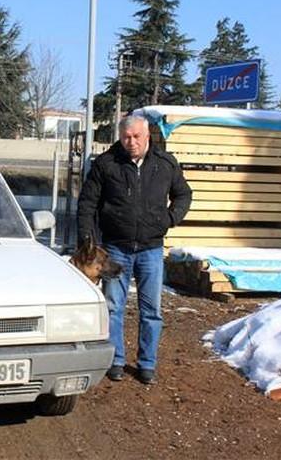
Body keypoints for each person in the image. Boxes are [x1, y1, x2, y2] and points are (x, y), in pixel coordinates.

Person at [77, 114, 191, 385]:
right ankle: (115, 360)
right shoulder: (106, 164)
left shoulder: (165, 164)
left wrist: (170, 218)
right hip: (116, 248)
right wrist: (87, 241)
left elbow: (183, 194)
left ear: (147, 135)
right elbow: (87, 203)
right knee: (113, 307)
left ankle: (147, 363)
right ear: (120, 137)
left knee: (151, 310)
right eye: (126, 137)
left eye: (136, 136)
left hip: (151, 249)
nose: (131, 142)